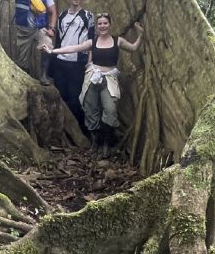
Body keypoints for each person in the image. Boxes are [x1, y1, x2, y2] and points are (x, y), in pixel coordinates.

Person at [43, 14, 143, 152]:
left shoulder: (117, 40)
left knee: (110, 109)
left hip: (110, 78)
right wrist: (52, 51)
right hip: (92, 77)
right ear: (97, 26)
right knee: (90, 109)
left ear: (110, 24)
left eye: (105, 23)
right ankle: (95, 143)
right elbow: (74, 48)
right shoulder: (92, 42)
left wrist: (140, 35)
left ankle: (106, 144)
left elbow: (133, 48)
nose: (102, 26)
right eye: (100, 24)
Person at [52, 0, 94, 129]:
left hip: (77, 64)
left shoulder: (88, 16)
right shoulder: (62, 16)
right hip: (61, 62)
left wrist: (89, 62)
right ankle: (64, 130)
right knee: (61, 96)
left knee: (75, 98)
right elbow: (58, 40)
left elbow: (91, 41)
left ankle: (81, 130)